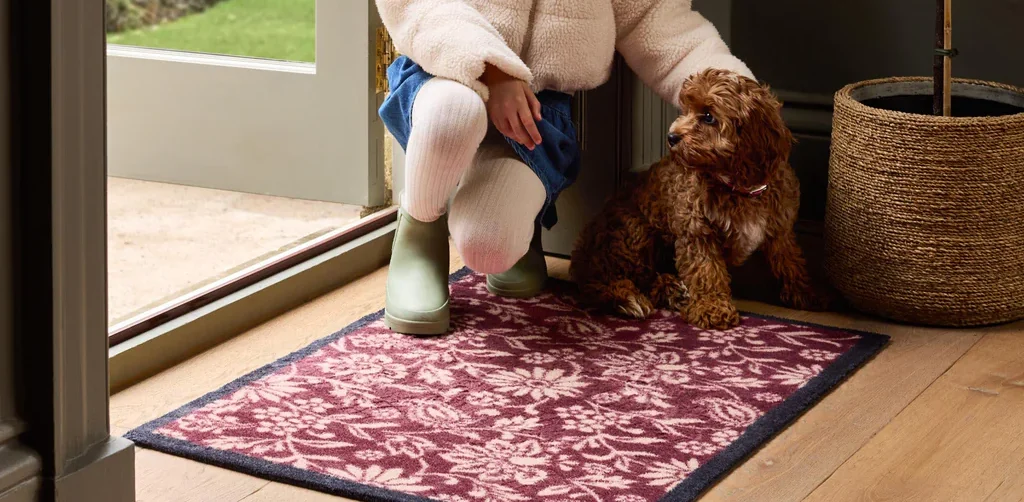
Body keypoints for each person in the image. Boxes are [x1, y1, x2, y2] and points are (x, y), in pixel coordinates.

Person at [376, 0, 755, 335]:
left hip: (536, 113)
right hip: (444, 71)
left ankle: (522, 220)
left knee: (489, 247)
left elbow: (660, 23)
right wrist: (494, 69)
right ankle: (420, 229)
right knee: (454, 111)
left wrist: (745, 104)